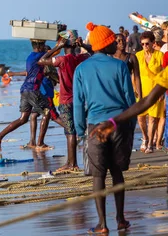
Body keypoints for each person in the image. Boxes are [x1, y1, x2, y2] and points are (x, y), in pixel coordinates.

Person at [73, 22, 135, 234]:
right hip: (118, 124)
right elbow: (130, 99)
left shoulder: (81, 69)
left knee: (98, 175)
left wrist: (81, 129)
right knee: (117, 172)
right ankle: (120, 219)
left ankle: (102, 224)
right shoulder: (119, 66)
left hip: (95, 126)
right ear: (105, 45)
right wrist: (130, 125)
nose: (116, 46)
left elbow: (78, 102)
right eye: (112, 42)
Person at [0, 39, 65, 153]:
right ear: (40, 46)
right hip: (33, 90)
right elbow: (54, 54)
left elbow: (50, 55)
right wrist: (60, 45)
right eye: (44, 45)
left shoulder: (31, 56)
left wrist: (58, 46)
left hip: (24, 90)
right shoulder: (40, 56)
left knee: (23, 118)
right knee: (48, 112)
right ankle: (42, 142)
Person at [38, 32, 89, 172]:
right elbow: (94, 53)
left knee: (70, 132)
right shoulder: (81, 58)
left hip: (66, 100)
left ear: (63, 43)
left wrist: (55, 48)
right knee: (79, 130)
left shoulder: (61, 60)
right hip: (79, 99)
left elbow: (41, 61)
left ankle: (72, 164)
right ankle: (72, 162)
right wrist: (83, 44)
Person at [135, 31, 165, 153]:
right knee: (141, 117)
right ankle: (145, 138)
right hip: (141, 90)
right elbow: (134, 74)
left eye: (147, 43)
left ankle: (151, 144)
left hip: (155, 90)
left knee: (153, 118)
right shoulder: (138, 55)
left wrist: (162, 91)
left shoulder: (159, 55)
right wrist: (134, 89)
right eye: (142, 44)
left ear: (153, 43)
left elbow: (164, 74)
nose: (145, 46)